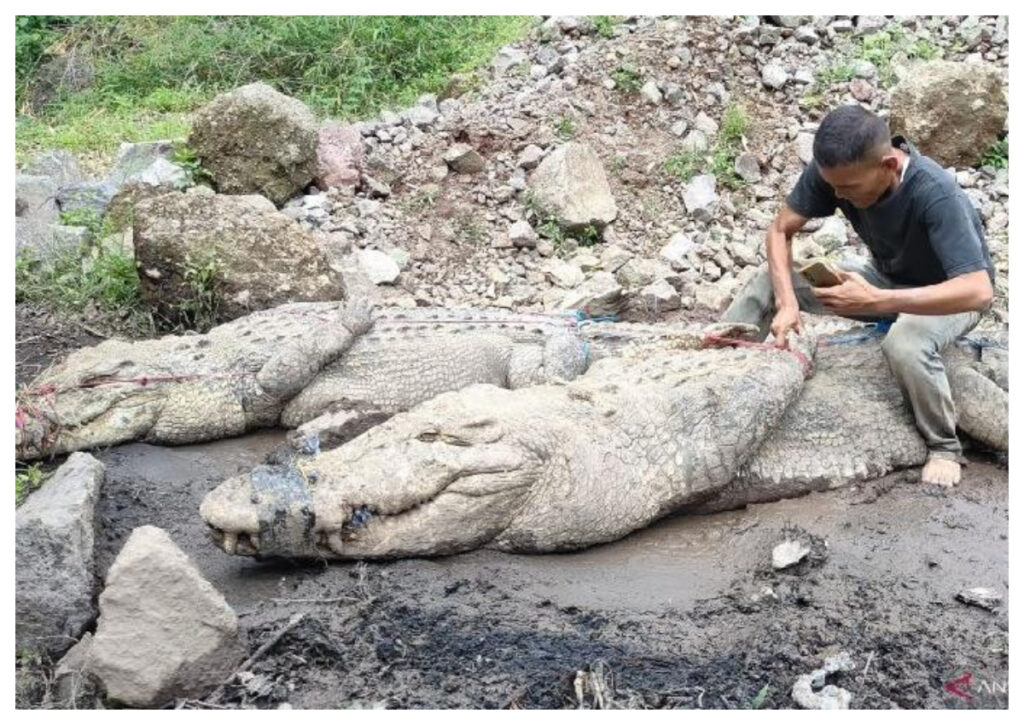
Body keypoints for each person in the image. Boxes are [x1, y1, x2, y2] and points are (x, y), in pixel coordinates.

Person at [722, 104, 994, 487]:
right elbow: (780, 229)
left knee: (905, 342)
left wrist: (878, 303)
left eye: (847, 189)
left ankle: (944, 447)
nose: (837, 195)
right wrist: (787, 301)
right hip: (886, 279)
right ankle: (719, 365)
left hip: (948, 296)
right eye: (832, 186)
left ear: (888, 165)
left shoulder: (936, 194)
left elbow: (978, 291)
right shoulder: (836, 170)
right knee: (769, 279)